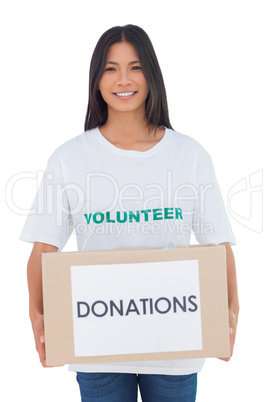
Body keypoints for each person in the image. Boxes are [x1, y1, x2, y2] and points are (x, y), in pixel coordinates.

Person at [21, 24, 239, 402]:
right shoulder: (70, 158)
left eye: (135, 67)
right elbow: (44, 249)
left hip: (176, 347)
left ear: (150, 74)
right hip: (96, 348)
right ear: (97, 79)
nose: (124, 79)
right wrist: (38, 316)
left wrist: (231, 313)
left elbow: (218, 244)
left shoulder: (189, 155)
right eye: (110, 68)